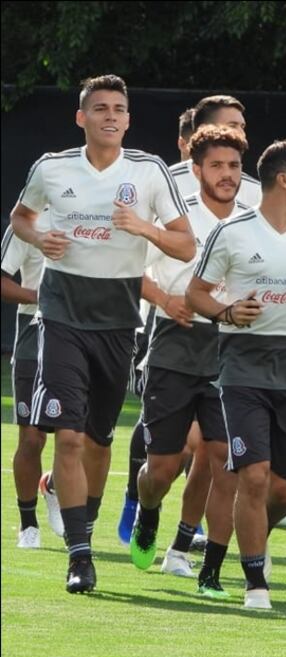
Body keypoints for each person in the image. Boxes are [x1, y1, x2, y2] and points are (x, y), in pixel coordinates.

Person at [9, 74, 195, 593]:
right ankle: (79, 554)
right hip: (61, 314)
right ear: (81, 117)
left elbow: (185, 246)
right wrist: (39, 235)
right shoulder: (52, 167)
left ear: (129, 120)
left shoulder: (150, 171)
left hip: (118, 322)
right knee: (65, 436)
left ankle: (82, 525)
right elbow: (21, 217)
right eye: (100, 108)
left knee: (96, 440)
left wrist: (145, 229)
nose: (110, 116)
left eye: (119, 109)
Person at [187, 139, 286, 610]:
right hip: (242, 366)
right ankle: (256, 582)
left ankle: (240, 544)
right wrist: (226, 311)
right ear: (284, 180)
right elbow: (196, 293)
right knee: (253, 477)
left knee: (283, 489)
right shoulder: (234, 232)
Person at [127, 126, 249, 599]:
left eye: (234, 166)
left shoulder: (253, 221)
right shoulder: (175, 217)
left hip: (231, 349)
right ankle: (148, 510)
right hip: (173, 343)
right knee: (163, 467)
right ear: (195, 169)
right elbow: (128, 265)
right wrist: (164, 298)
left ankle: (206, 569)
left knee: (223, 460)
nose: (227, 175)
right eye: (217, 166)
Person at [2, 215, 50, 548]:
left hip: (85, 331)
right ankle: (28, 522)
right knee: (31, 438)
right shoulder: (27, 220)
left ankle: (57, 485)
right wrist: (37, 296)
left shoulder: (102, 211)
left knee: (79, 435)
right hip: (34, 333)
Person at [169, 95, 262, 207]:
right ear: (203, 129)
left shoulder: (256, 192)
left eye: (242, 127)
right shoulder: (167, 181)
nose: (242, 134)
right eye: (232, 125)